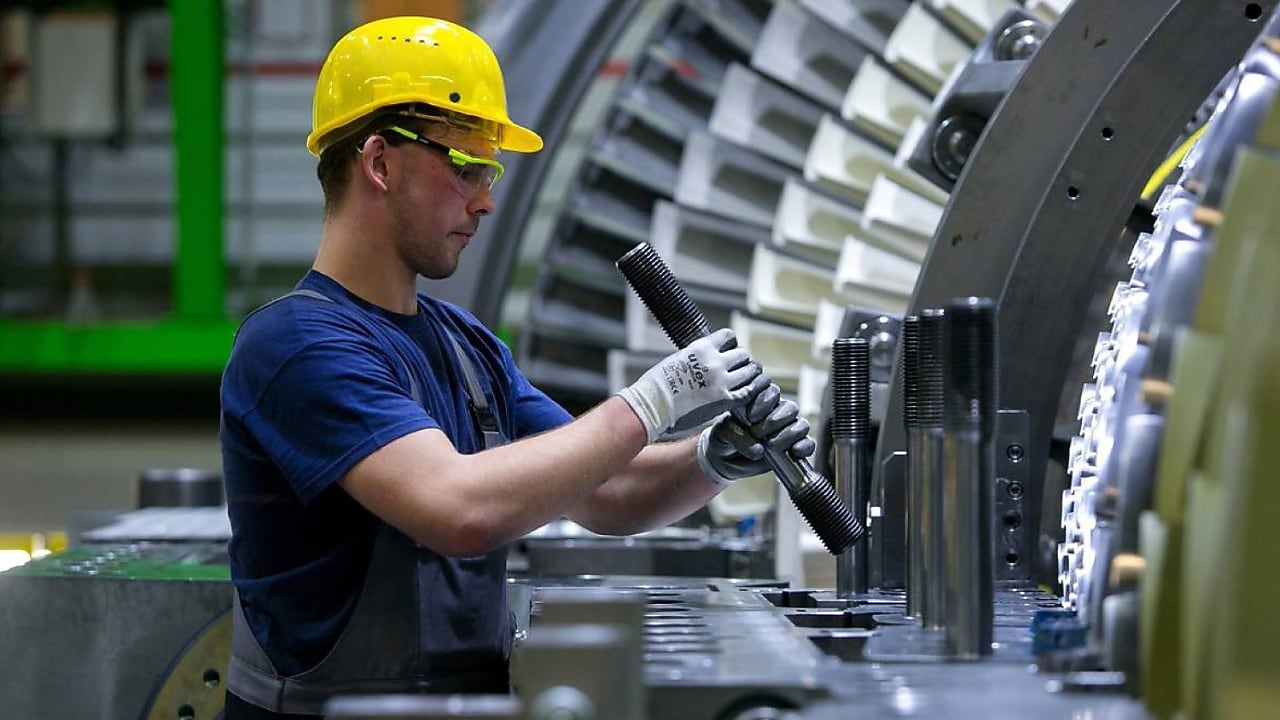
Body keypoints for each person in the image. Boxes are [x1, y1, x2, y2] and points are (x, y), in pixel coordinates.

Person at [219, 16, 815, 719]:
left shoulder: (467, 348)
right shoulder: (296, 344)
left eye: (489, 172)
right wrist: (655, 398)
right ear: (380, 163)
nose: (486, 199)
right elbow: (458, 509)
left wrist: (711, 458)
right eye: (465, 165)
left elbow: (603, 490)